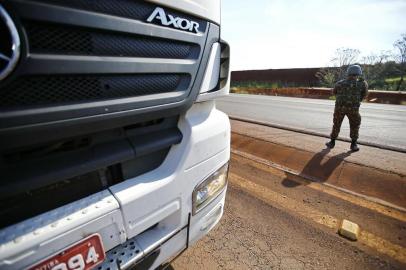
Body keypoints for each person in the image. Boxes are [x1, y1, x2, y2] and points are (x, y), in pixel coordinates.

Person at [326, 64, 368, 152]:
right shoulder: (362, 83)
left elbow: (334, 93)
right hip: (353, 109)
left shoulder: (340, 83)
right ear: (358, 73)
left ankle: (332, 142)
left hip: (339, 108)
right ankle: (353, 144)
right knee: (354, 126)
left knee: (336, 124)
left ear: (348, 73)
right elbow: (364, 95)